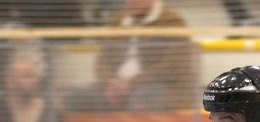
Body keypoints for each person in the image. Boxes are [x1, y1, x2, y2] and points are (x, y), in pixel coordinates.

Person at [65, 0, 196, 112]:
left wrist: (131, 83)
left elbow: (172, 65)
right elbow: (102, 60)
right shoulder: (118, 20)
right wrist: (110, 83)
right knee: (75, 99)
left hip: (154, 87)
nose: (132, 2)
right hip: (116, 87)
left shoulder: (172, 20)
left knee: (144, 99)